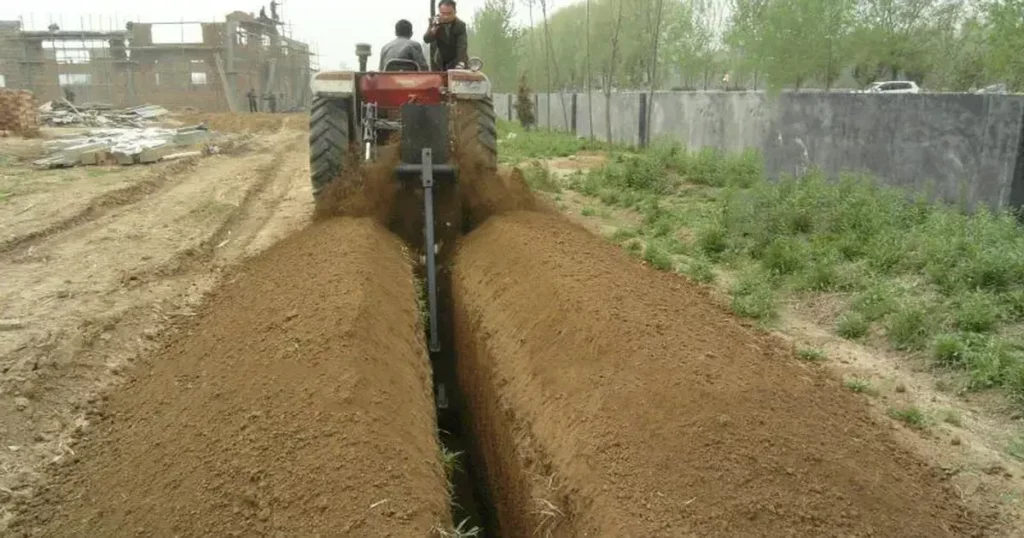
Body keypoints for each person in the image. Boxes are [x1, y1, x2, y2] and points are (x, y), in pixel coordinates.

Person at [422, 0, 468, 71]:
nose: (446, 17)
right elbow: (426, 39)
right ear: (439, 12)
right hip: (440, 61)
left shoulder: (460, 25)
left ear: (455, 12)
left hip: (456, 59)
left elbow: (462, 45)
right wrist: (433, 30)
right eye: (443, 13)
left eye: (449, 13)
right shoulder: (435, 21)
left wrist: (460, 62)